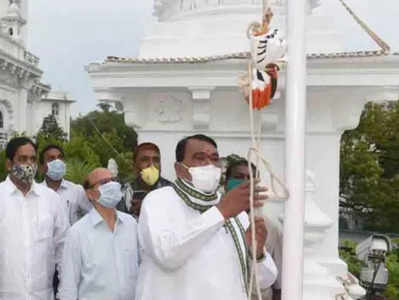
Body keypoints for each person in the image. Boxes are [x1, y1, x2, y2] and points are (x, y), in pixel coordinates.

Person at [136, 134, 277, 300]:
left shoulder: (234, 211)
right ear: (179, 168)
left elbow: (264, 281)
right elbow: (167, 254)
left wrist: (257, 253)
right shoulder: (159, 200)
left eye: (214, 158)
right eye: (200, 158)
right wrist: (220, 212)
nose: (209, 164)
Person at [0, 137, 69, 299]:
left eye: (32, 159)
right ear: (9, 164)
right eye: (22, 159)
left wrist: (65, 292)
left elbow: (64, 249)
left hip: (42, 295)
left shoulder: (51, 199)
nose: (28, 164)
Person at [58, 168, 139, 300]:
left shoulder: (131, 224)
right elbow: (68, 286)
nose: (112, 185)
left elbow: (142, 267)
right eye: (104, 182)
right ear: (90, 194)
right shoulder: (77, 233)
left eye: (113, 180)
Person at [225, 158, 282, 300]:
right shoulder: (213, 221)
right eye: (238, 177)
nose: (245, 182)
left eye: (250, 178)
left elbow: (278, 286)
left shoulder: (269, 227)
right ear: (226, 183)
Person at [39, 144, 92, 225]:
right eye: (51, 158)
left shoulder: (76, 191)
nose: (57, 162)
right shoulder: (37, 192)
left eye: (60, 157)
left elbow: (91, 215)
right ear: (42, 167)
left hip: (71, 237)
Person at [118, 142, 172, 217]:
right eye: (145, 160)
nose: (151, 164)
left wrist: (149, 208)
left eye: (156, 160)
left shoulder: (172, 191)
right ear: (134, 166)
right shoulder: (124, 193)